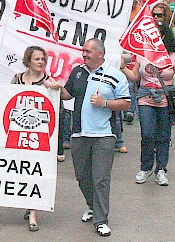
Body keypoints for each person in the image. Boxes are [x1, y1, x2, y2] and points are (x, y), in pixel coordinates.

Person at [59, 39, 130, 237]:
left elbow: (125, 103)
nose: (84, 54)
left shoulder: (115, 75)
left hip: (103, 135)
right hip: (79, 133)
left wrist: (105, 102)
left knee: (100, 179)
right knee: (82, 176)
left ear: (100, 53)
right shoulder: (78, 72)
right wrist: (55, 87)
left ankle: (101, 220)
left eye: (88, 51)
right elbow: (68, 94)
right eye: (83, 51)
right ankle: (92, 206)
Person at [128, 22, 175, 187]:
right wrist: (123, 67)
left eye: (158, 35)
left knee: (164, 136)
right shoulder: (143, 54)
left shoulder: (173, 57)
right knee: (147, 133)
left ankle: (161, 170)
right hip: (145, 97)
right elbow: (135, 76)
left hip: (165, 99)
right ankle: (145, 167)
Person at [10, 46, 61, 232]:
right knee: (22, 172)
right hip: (19, 134)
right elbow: (6, 99)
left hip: (39, 137)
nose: (40, 62)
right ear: (28, 61)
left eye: (43, 59)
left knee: (35, 172)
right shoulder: (17, 79)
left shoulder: (48, 81)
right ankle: (28, 203)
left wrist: (56, 89)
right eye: (37, 59)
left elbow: (62, 100)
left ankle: (33, 213)